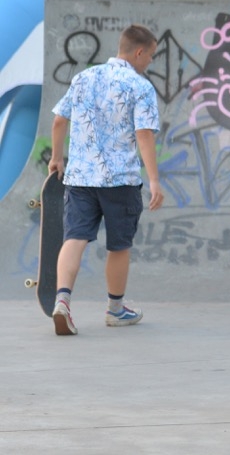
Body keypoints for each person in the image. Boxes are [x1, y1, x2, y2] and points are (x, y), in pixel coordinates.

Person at [49, 24, 164, 336]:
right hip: (120, 181)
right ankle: (115, 309)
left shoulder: (84, 77)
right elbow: (144, 135)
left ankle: (62, 301)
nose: (150, 62)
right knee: (119, 245)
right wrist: (154, 180)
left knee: (74, 237)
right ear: (139, 52)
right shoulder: (140, 87)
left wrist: (57, 158)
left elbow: (60, 120)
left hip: (80, 178)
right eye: (151, 56)